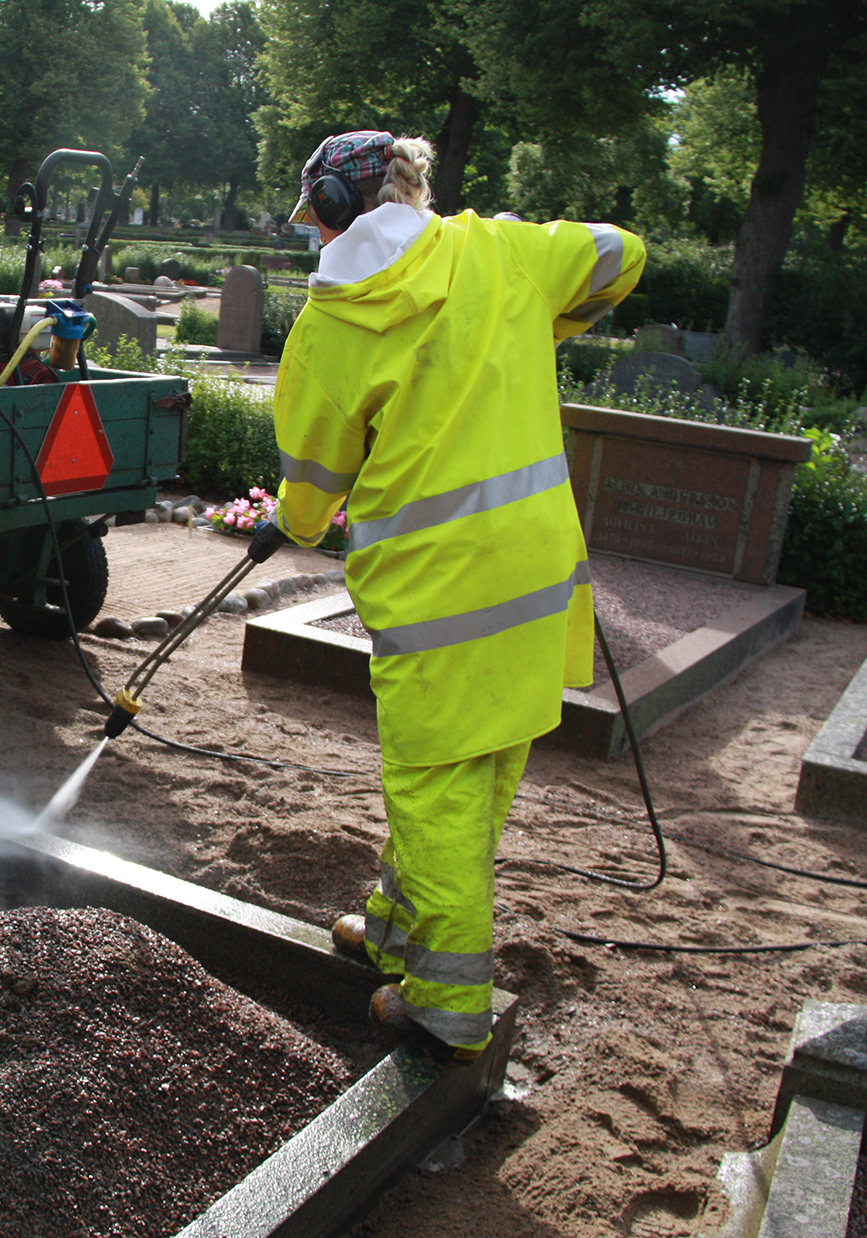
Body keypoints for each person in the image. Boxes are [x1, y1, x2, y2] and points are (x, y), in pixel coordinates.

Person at [272, 131, 644, 1063]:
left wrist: (300, 521)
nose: (314, 238)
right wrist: (540, 319)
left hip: (439, 590)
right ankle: (397, 928)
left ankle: (443, 1004)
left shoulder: (332, 320)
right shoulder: (504, 252)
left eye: (316, 220)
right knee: (478, 766)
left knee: (435, 780)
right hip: (538, 576)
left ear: (337, 215)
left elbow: (314, 484)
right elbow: (621, 255)